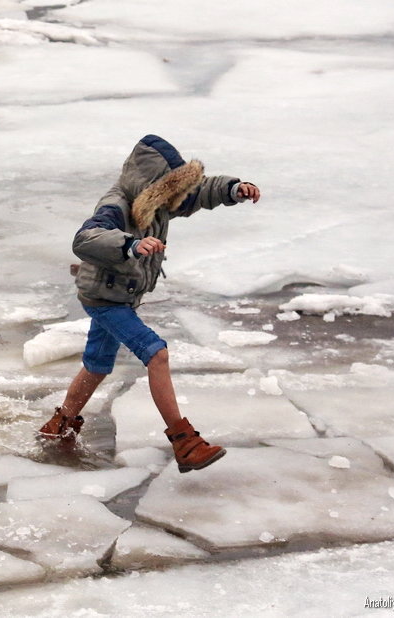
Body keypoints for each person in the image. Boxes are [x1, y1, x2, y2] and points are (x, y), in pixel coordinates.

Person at [38, 134, 261, 473]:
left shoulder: (160, 202)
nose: (177, 197)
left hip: (119, 295)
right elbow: (85, 239)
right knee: (156, 353)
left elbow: (199, 192)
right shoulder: (115, 205)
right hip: (104, 298)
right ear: (151, 185)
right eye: (170, 188)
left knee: (98, 365)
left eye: (178, 189)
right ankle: (184, 442)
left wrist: (233, 189)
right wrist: (129, 245)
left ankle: (58, 427)